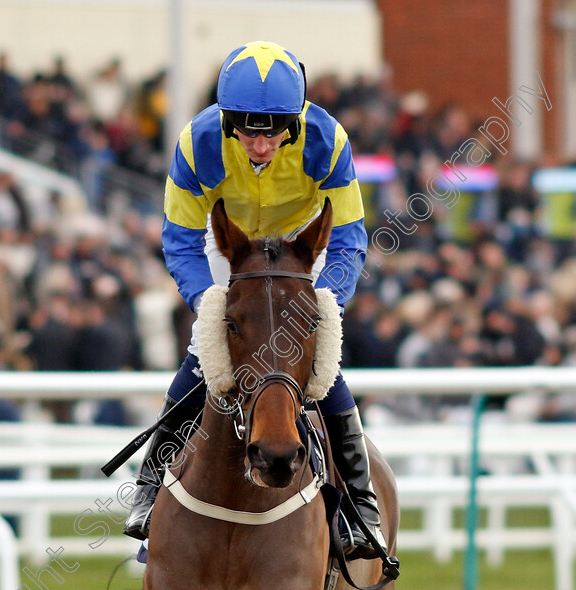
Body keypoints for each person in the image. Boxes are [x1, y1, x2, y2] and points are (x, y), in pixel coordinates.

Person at [123, 41, 384, 560]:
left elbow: (351, 237)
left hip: (295, 255)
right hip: (231, 252)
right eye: (247, 130)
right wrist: (208, 304)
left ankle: (361, 504)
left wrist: (326, 304)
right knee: (202, 362)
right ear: (226, 122)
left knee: (320, 369)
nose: (261, 145)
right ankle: (150, 489)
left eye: (273, 132)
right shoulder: (196, 143)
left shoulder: (327, 140)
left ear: (294, 123)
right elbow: (179, 239)